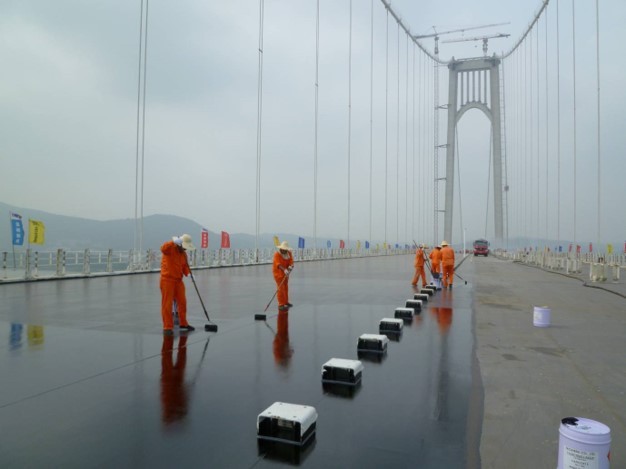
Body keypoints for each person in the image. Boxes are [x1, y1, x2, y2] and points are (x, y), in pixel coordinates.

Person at [160, 234, 196, 335]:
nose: (185, 249)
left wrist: (189, 274)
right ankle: (167, 327)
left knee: (182, 302)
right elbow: (163, 248)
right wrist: (172, 242)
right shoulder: (170, 249)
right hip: (167, 280)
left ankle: (183, 323)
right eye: (184, 247)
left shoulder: (183, 254)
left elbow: (184, 266)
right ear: (179, 244)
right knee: (167, 304)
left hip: (178, 281)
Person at [272, 241, 294, 311]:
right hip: (278, 273)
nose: (284, 251)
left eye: (286, 250)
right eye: (283, 249)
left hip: (286, 273)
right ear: (281, 249)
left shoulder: (289, 254)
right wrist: (284, 270)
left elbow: (291, 262)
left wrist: (290, 268)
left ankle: (286, 302)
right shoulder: (277, 255)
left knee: (285, 287)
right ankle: (281, 304)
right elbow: (278, 264)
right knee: (280, 288)